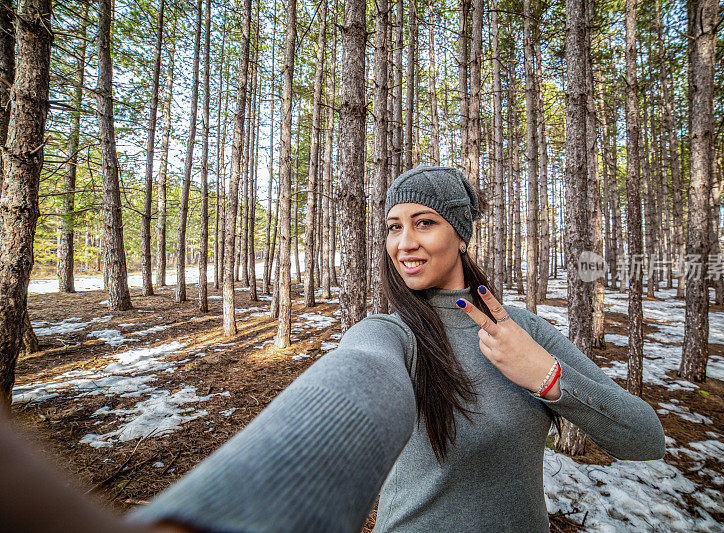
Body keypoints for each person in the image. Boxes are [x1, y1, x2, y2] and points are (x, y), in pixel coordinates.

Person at [1, 165, 665, 533]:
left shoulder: (524, 331)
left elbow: (646, 437)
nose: (403, 241)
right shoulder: (392, 336)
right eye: (393, 226)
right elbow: (351, 383)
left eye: (424, 222)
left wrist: (547, 377)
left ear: (459, 235)